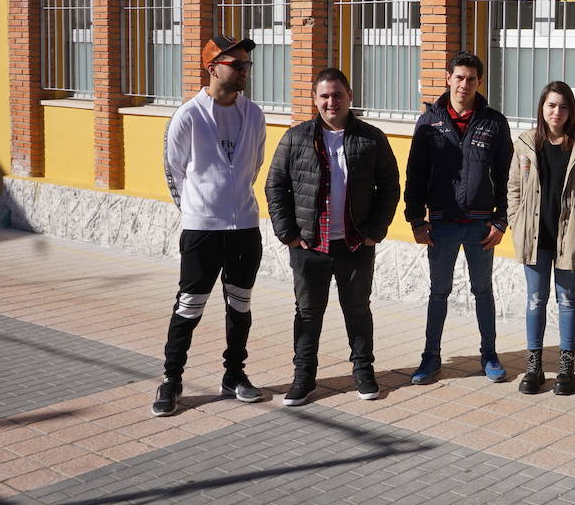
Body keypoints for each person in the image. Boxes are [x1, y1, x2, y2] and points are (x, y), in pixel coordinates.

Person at [265, 68, 400, 406]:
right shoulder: (296, 138)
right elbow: (275, 186)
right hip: (311, 244)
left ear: (350, 97)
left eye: (337, 95)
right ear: (315, 99)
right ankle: (304, 378)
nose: (331, 102)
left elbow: (390, 186)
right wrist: (289, 234)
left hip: (354, 243)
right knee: (308, 313)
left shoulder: (371, 138)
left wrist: (374, 232)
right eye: (324, 96)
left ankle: (364, 373)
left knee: (357, 310)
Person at [152, 36, 266, 417]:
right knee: (189, 306)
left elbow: (253, 166)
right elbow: (174, 171)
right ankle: (171, 380)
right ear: (212, 67)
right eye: (237, 64)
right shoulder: (188, 115)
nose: (244, 71)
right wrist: (198, 211)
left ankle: (234, 376)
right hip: (202, 230)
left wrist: (234, 202)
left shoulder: (254, 114)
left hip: (245, 228)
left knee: (240, 306)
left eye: (247, 65)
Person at [404, 51, 514, 385]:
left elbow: (508, 176)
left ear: (479, 82)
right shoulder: (430, 122)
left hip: (481, 226)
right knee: (439, 292)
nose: (464, 84)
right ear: (448, 77)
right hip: (442, 224)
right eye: (459, 77)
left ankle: (489, 356)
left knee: (483, 291)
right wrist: (415, 219)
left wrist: (501, 221)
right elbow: (416, 173)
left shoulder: (494, 122)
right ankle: (430, 358)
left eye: (471, 78)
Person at [507, 82, 575, 395]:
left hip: (569, 236)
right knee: (535, 300)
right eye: (551, 105)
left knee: (567, 300)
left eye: (563, 106)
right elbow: (513, 187)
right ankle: (534, 367)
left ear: (570, 111)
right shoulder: (525, 142)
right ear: (542, 108)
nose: (556, 112)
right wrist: (515, 220)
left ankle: (566, 368)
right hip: (535, 235)